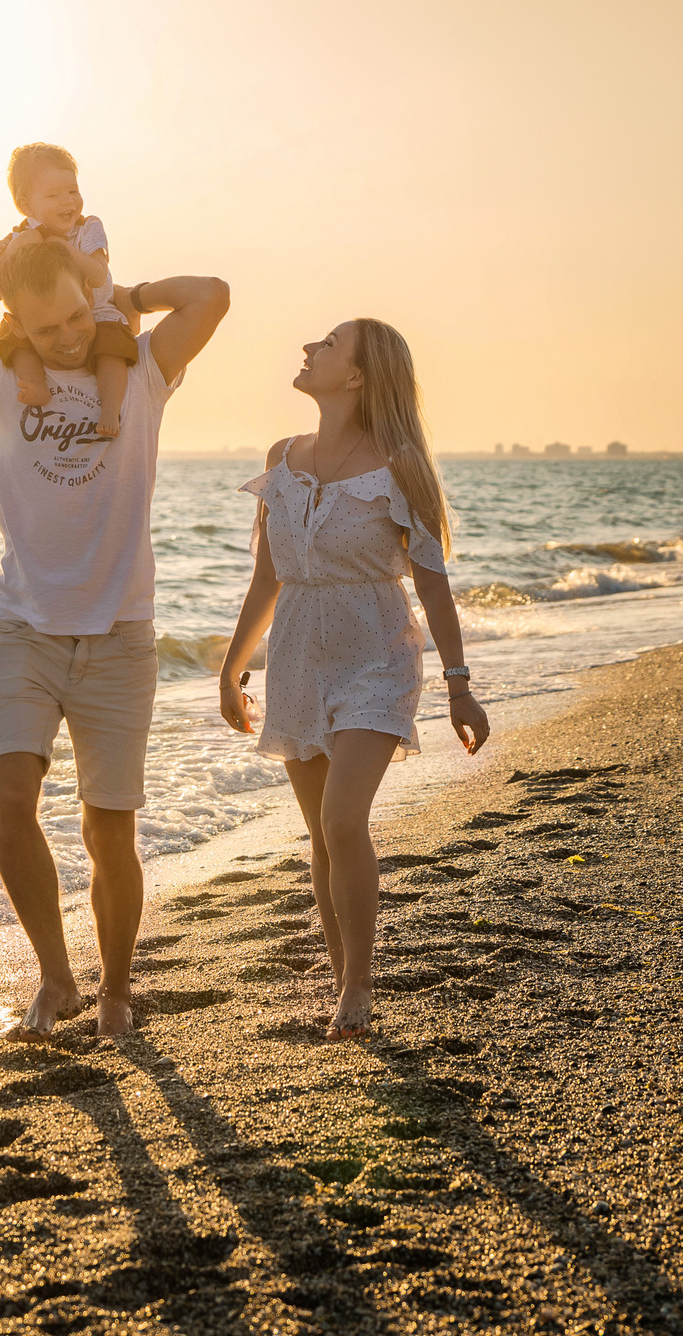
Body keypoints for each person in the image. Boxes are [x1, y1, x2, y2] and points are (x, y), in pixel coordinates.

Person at [0, 227, 230, 1037]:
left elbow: (212, 295)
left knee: (108, 827)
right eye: (44, 328)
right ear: (15, 327)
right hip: (23, 626)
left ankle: (116, 991)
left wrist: (118, 297)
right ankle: (57, 978)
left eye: (71, 319)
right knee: (8, 799)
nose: (63, 339)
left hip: (120, 635)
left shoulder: (138, 365)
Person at [216, 318, 490, 1039]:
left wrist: (460, 685)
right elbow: (266, 577)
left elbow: (433, 588)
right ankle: (343, 983)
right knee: (320, 834)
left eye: (329, 344)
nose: (309, 347)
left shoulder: (400, 466)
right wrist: (231, 665)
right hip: (299, 656)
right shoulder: (283, 457)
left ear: (358, 376)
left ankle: (359, 986)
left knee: (343, 821)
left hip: (377, 656)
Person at [0, 143, 140, 437]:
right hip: (47, 314)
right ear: (26, 206)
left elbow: (99, 276)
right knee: (12, 337)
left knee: (112, 349)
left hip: (96, 309)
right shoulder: (24, 234)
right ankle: (35, 384)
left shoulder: (88, 228)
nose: (67, 202)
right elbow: (2, 276)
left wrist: (64, 250)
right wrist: (10, 252)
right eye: (53, 195)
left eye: (73, 191)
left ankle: (110, 408)